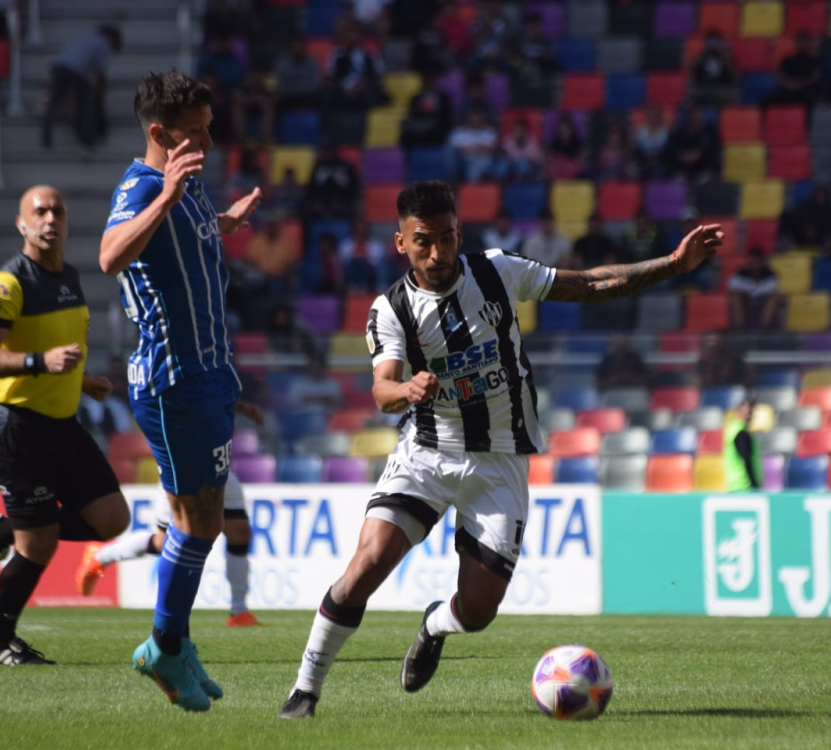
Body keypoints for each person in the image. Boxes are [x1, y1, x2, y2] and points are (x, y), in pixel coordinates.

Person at [278, 180, 723, 718]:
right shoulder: (391, 309)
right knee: (368, 563)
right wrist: (406, 391)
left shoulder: (496, 272)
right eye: (423, 241)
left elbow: (589, 284)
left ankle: (433, 624)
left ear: (459, 232)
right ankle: (305, 690)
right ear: (401, 243)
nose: (438, 253)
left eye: (446, 238)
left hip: (500, 458)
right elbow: (382, 388)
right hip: (427, 454)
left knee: (479, 611)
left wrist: (673, 264)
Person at [99, 70, 261, 712]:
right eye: (195, 132)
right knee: (200, 523)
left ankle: (177, 642)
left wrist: (221, 220)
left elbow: (181, 241)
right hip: (175, 381)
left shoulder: (186, 183)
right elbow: (111, 255)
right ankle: (164, 648)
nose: (209, 141)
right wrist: (165, 197)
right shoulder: (142, 186)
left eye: (209, 128)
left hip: (209, 375)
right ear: (160, 134)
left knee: (196, 521)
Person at [0, 185, 131, 665]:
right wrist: (41, 360)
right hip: (16, 428)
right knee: (38, 543)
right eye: (39, 211)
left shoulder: (71, 278)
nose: (50, 218)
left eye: (58, 210)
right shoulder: (7, 284)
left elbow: (59, 354)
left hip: (63, 425)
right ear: (22, 223)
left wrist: (83, 382)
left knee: (112, 520)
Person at [75, 403, 265, 628]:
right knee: (165, 541)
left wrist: (242, 407)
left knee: (240, 532)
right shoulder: (175, 375)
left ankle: (238, 611)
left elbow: (218, 392)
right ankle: (101, 556)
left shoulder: (211, 373)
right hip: (181, 466)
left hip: (217, 465)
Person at [41, 24, 122, 149]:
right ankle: (85, 135)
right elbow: (100, 73)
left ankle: (46, 132)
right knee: (83, 103)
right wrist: (99, 94)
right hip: (76, 71)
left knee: (54, 101)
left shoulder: (85, 36)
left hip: (60, 66)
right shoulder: (103, 44)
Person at [728, 248, 779, 330]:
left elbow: (774, 288)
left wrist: (754, 290)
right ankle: (740, 329)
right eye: (752, 262)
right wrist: (753, 290)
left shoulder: (770, 274)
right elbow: (732, 286)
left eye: (757, 262)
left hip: (763, 301)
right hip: (745, 301)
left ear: (762, 262)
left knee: (774, 297)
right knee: (736, 296)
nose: (755, 265)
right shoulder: (740, 274)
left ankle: (764, 328)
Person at [724, 398, 761, 492]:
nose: (750, 414)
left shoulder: (732, 429)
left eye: (751, 411)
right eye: (748, 411)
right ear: (740, 411)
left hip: (733, 485)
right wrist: (754, 484)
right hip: (744, 486)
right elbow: (746, 460)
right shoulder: (741, 433)